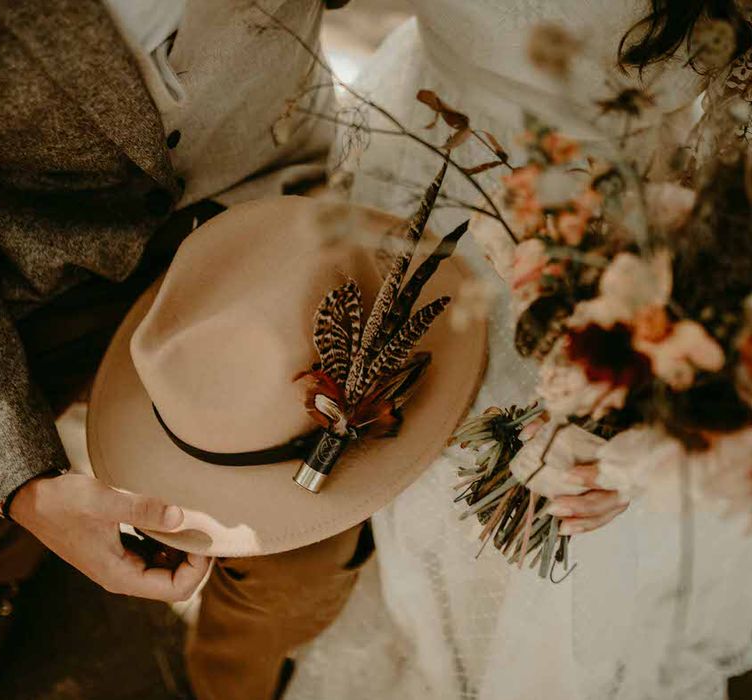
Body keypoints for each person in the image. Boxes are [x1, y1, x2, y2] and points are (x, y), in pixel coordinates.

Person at [285, 2, 752, 699]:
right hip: (442, 159)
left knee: (567, 549)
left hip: (652, 223)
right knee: (424, 474)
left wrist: (644, 403)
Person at [0, 1, 371, 698]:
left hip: (265, 224)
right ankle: (2, 575)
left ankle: (230, 673)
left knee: (309, 545)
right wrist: (22, 485)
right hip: (29, 272)